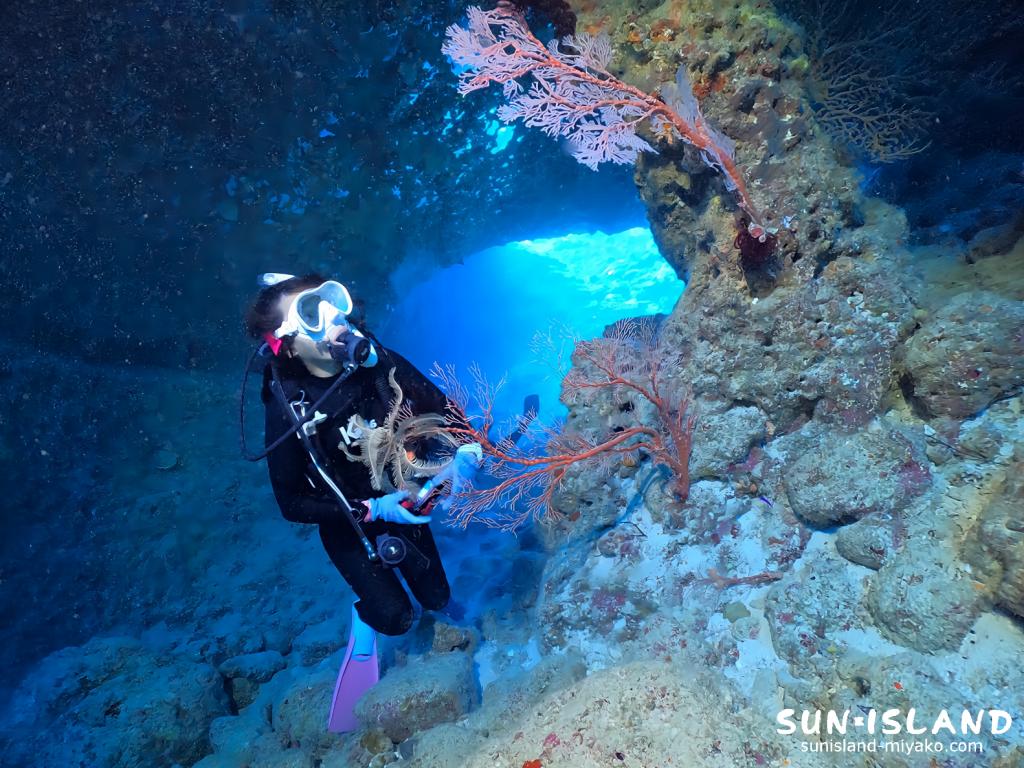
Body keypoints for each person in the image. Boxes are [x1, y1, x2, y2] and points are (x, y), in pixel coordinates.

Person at [243, 272, 480, 732]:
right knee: (398, 618)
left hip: (403, 507)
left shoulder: (375, 360)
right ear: (287, 344)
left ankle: (438, 603)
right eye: (312, 314)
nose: (336, 320)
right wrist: (371, 510)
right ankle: (364, 618)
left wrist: (465, 458)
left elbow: (448, 411)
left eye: (332, 301)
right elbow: (290, 502)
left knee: (439, 598)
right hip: (348, 523)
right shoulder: (288, 407)